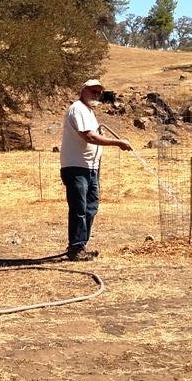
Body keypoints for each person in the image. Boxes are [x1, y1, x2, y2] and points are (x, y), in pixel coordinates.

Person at [60, 79, 132, 261]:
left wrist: (103, 139)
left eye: (99, 92)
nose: (96, 95)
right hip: (77, 167)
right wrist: (117, 142)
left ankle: (80, 246)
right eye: (93, 91)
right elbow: (90, 137)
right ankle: (76, 248)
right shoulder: (78, 109)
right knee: (79, 208)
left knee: (91, 207)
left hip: (90, 167)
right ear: (83, 91)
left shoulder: (89, 112)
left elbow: (93, 135)